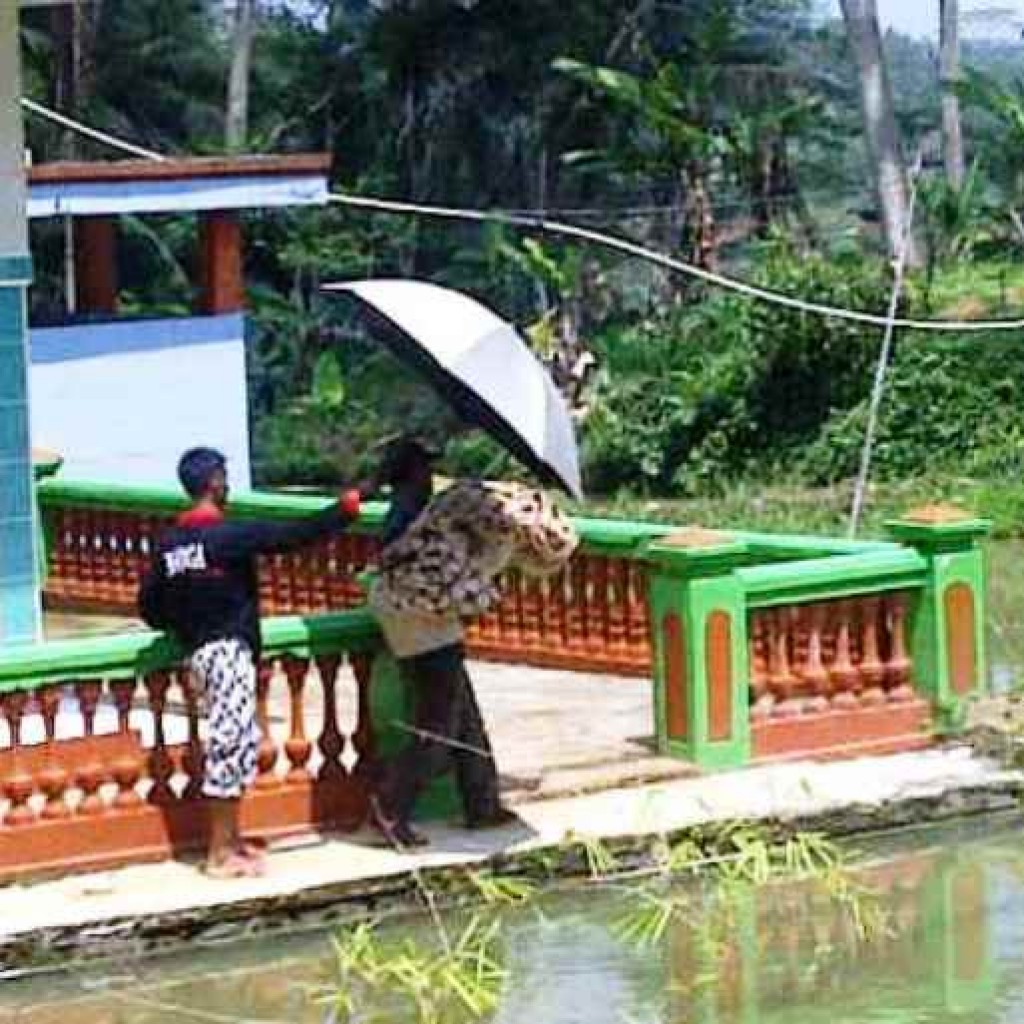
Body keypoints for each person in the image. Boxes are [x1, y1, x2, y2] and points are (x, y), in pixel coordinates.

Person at [138, 447, 361, 878]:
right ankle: (220, 854)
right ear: (216, 483)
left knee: (232, 742)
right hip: (227, 652)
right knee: (232, 745)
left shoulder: (170, 546)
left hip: (198, 652)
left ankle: (232, 841)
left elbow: (149, 606)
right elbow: (295, 534)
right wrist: (346, 508)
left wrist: (186, 621)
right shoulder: (227, 537)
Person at [367, 437, 516, 848]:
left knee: (461, 711)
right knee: (439, 723)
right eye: (426, 468)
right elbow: (413, 567)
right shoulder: (413, 514)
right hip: (421, 622)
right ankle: (390, 806)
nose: (431, 476)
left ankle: (481, 801)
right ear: (414, 473)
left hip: (426, 619)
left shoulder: (417, 511)